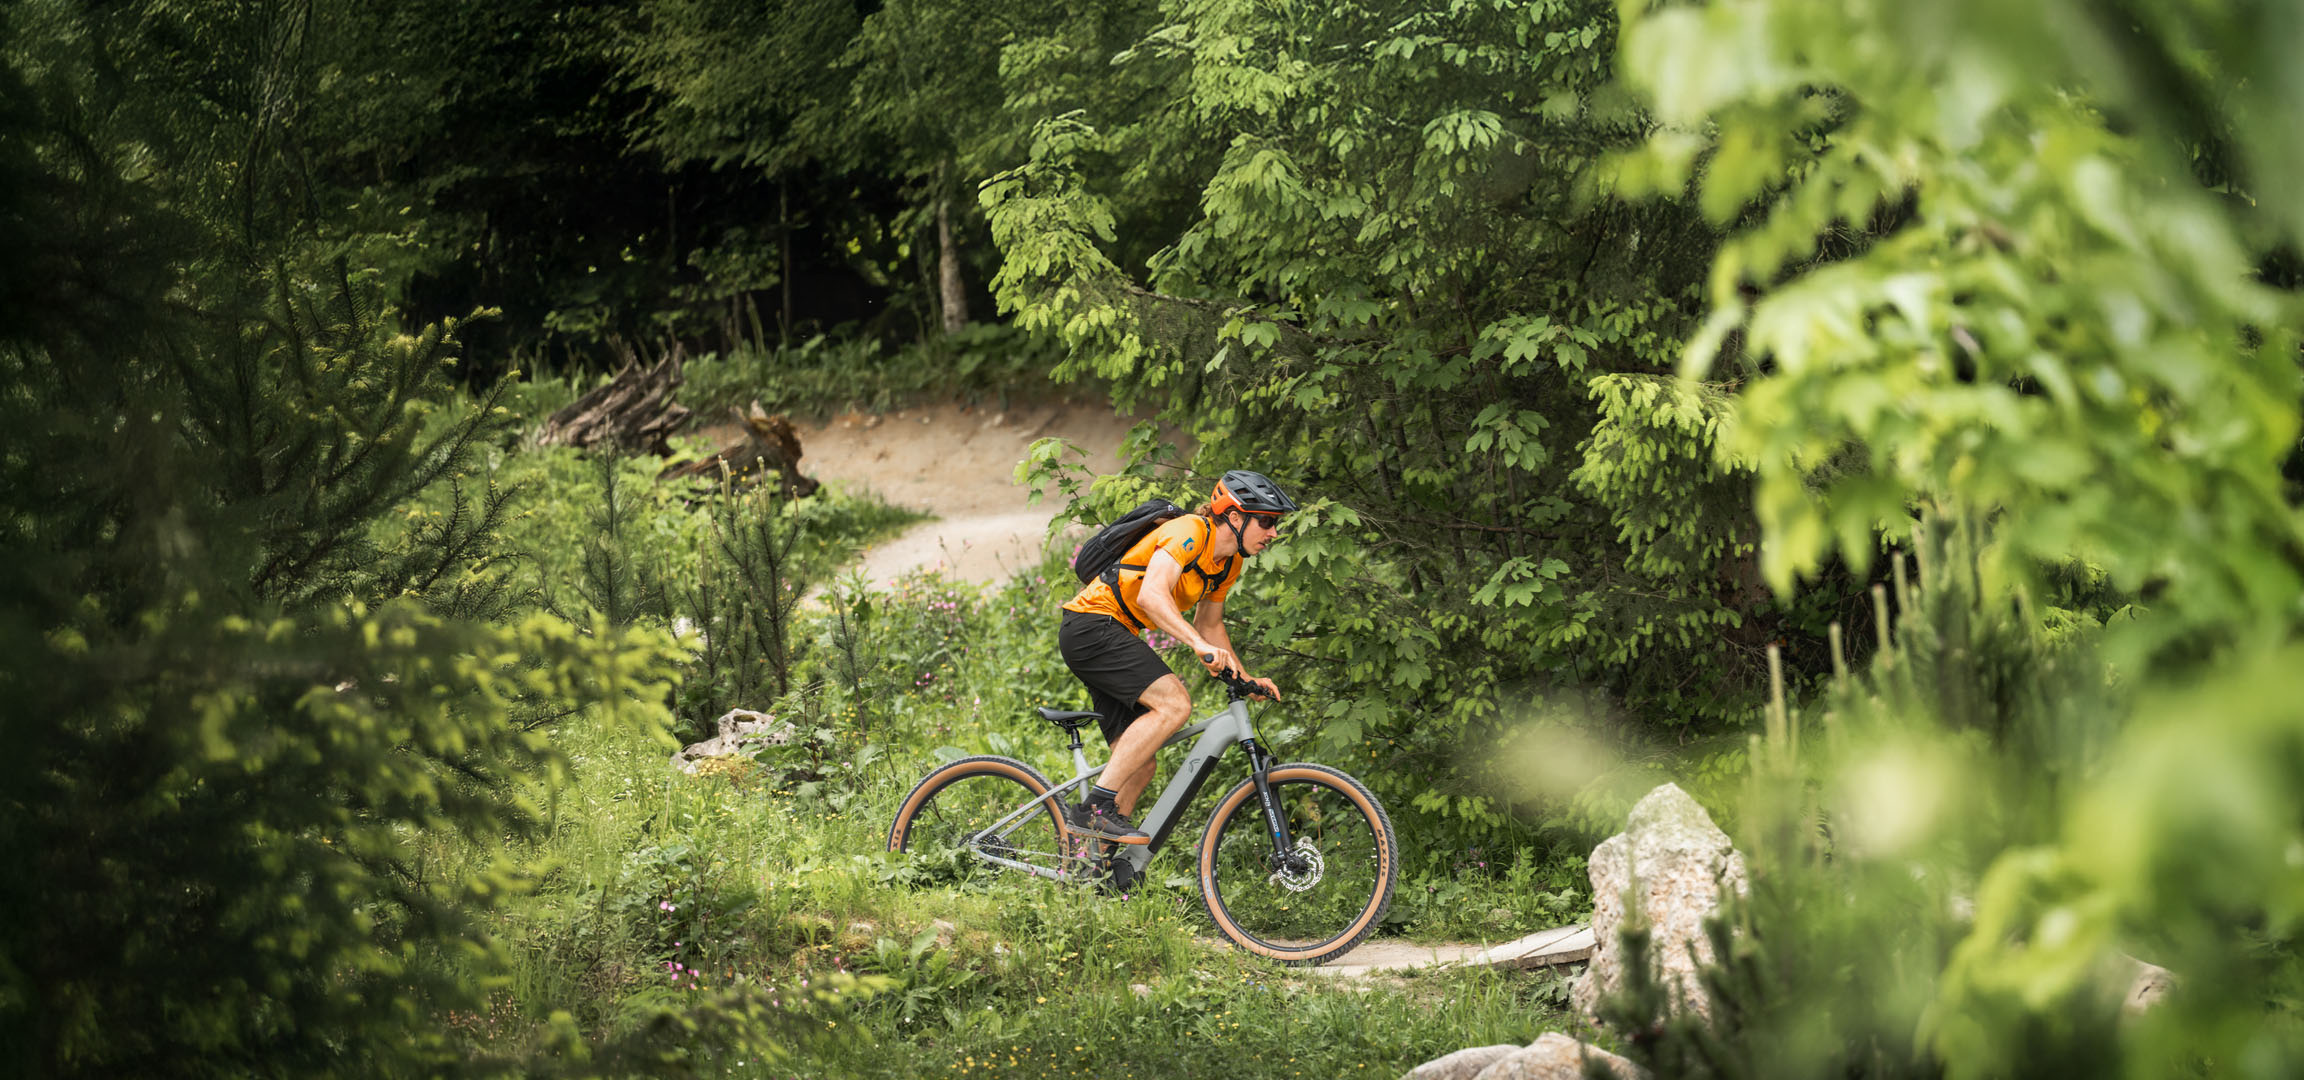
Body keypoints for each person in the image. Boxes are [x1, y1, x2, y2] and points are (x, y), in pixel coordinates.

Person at [1056, 470, 1297, 844]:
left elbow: (1210, 625)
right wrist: (1197, 645)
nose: (1274, 533)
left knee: (1139, 765)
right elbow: (1152, 595)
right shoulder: (1190, 531)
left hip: (1112, 632)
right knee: (1175, 704)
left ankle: (1092, 866)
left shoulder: (1229, 563)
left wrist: (1246, 679)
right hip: (1092, 625)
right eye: (1266, 521)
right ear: (1235, 517)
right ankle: (1093, 809)